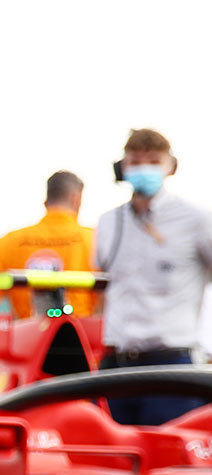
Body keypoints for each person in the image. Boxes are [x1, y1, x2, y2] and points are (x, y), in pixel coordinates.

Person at [94, 129, 212, 425]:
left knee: (167, 459)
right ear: (122, 167)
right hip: (117, 364)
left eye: (153, 161)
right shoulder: (109, 222)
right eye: (135, 161)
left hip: (171, 365)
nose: (143, 168)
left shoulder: (195, 219)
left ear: (170, 165)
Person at [0, 171, 97, 319]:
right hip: (82, 335)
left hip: (27, 336)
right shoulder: (93, 239)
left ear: (47, 200)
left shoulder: (10, 241)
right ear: (76, 199)